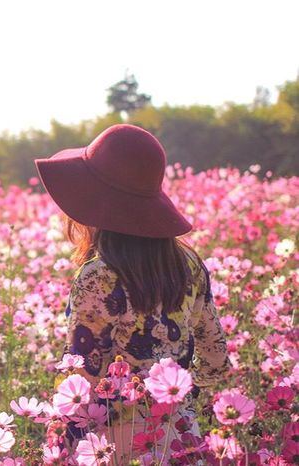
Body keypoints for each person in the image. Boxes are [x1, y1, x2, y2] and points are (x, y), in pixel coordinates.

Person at [34, 124, 230, 464]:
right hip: (180, 436)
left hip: (115, 440)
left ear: (95, 201)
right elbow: (215, 360)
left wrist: (60, 444)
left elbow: (86, 373)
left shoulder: (98, 275)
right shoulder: (189, 264)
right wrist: (181, 399)